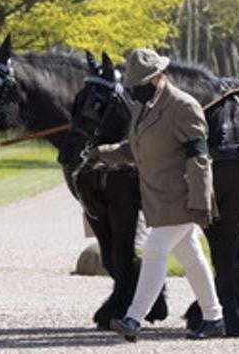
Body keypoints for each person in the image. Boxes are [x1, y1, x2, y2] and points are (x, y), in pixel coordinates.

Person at [90, 48, 224, 341]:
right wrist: (102, 154)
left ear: (157, 78)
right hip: (157, 199)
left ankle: (133, 319)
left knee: (154, 250)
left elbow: (199, 159)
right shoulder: (142, 107)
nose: (134, 91)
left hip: (182, 198)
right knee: (191, 257)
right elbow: (133, 149)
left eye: (139, 85)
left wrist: (200, 202)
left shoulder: (184, 107)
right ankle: (214, 317)